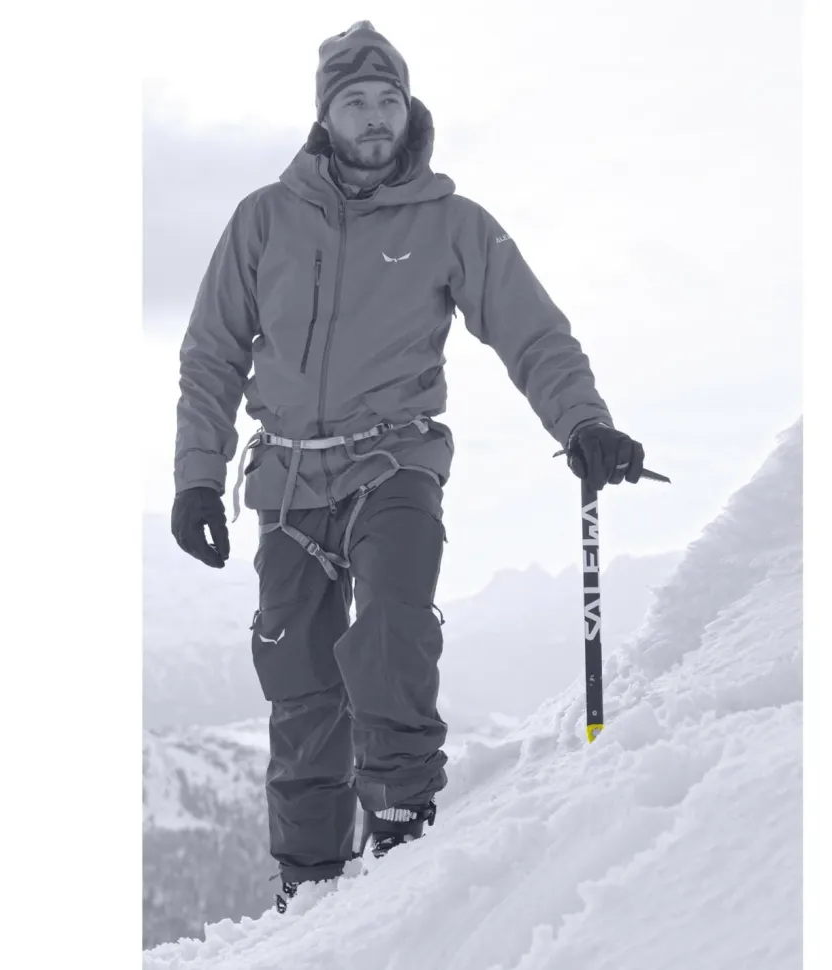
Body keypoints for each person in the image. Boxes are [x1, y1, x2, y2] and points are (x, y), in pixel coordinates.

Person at [170, 20, 649, 911]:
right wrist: (197, 475)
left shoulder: (451, 223)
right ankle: (308, 887)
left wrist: (585, 422)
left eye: (388, 100)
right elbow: (211, 355)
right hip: (287, 481)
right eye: (355, 101)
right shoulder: (263, 220)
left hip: (395, 461)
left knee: (391, 627)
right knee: (300, 682)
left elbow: (533, 332)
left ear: (409, 109)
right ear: (325, 116)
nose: (374, 116)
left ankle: (399, 824)